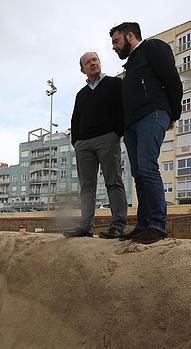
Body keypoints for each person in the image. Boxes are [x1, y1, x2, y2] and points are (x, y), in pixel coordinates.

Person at [109, 22, 183, 244]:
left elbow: (172, 79)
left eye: (116, 40)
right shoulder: (130, 66)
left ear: (130, 36)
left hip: (152, 114)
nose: (113, 47)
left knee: (148, 168)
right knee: (139, 173)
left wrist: (173, 114)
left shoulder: (153, 47)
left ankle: (157, 225)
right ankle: (143, 225)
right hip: (132, 124)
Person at [64, 51, 128, 238]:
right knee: (87, 186)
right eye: (88, 62)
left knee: (113, 181)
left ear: (99, 62)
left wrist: (116, 132)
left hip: (107, 138)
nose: (92, 63)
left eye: (95, 60)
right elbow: (75, 119)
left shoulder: (116, 84)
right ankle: (85, 226)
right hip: (83, 144)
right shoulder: (81, 94)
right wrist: (76, 141)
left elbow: (122, 110)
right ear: (83, 69)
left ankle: (118, 224)